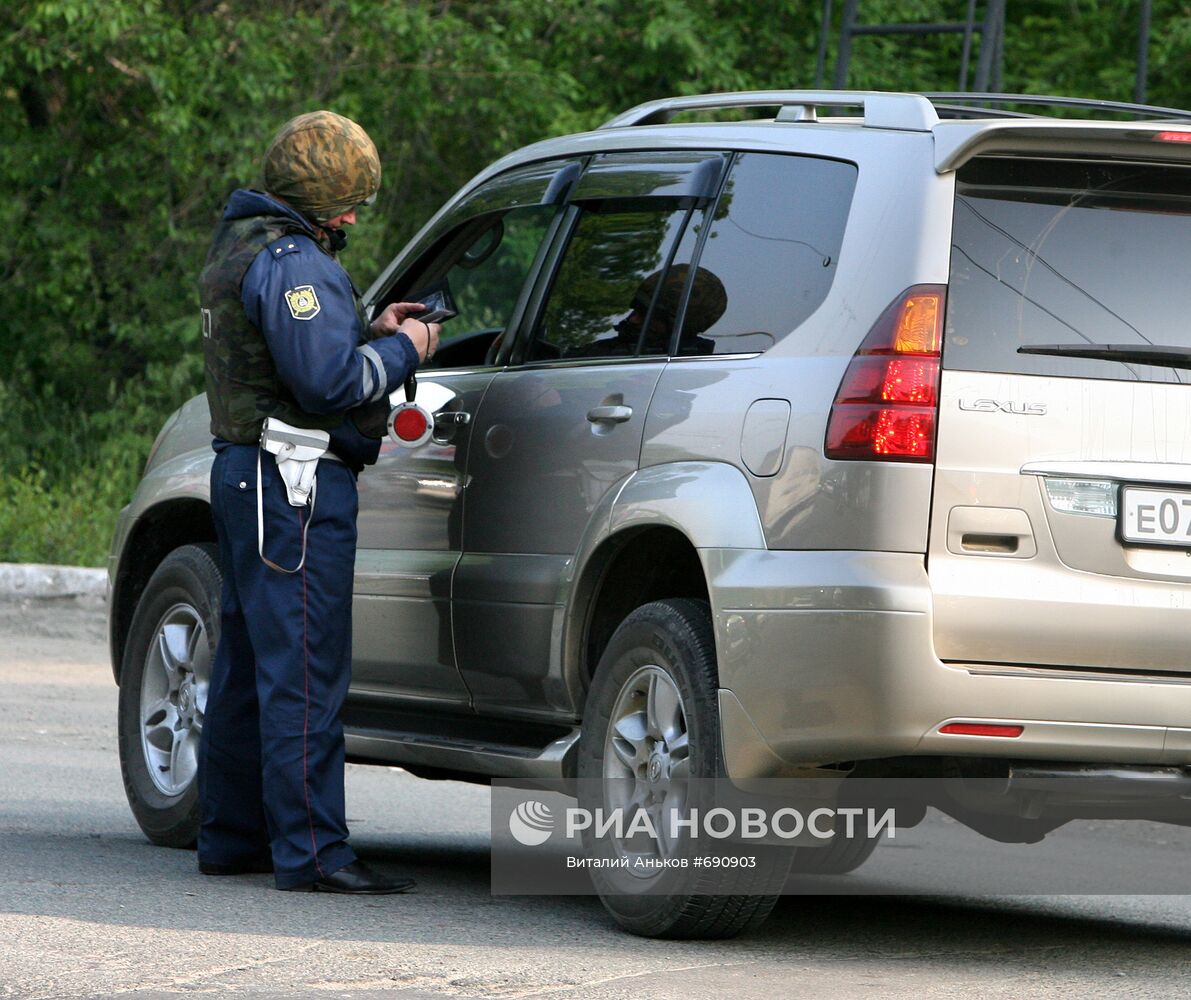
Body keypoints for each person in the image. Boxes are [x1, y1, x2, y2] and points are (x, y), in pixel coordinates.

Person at [196, 110, 439, 894]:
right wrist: (405, 348)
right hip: (292, 484)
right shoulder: (295, 261)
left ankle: (233, 837)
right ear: (326, 199)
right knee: (303, 667)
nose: (356, 215)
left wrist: (366, 327)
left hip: (248, 474)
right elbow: (326, 383)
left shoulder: (247, 244)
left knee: (246, 666)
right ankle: (316, 855)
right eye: (352, 200)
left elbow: (299, 351)